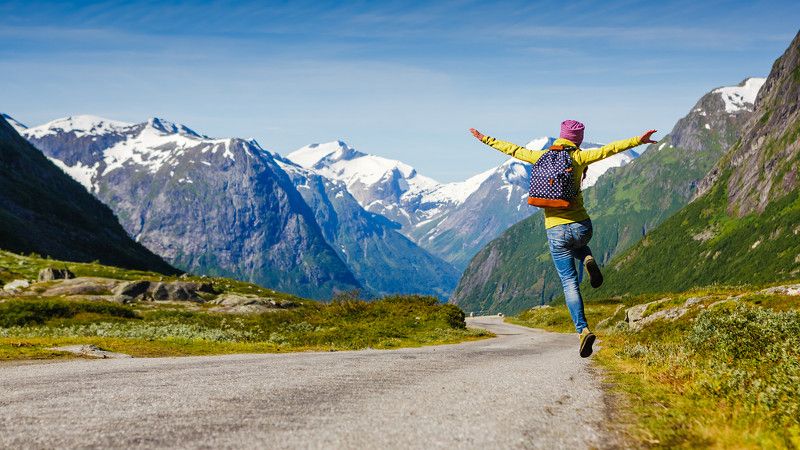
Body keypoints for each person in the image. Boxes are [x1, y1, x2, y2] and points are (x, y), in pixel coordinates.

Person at [469, 120, 657, 357]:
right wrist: (639, 140)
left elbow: (512, 149)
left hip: (555, 231)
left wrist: (485, 138)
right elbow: (611, 149)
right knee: (580, 244)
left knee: (569, 283)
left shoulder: (539, 156)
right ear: (577, 139)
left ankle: (583, 330)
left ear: (561, 136)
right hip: (581, 227)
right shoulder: (578, 158)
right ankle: (587, 256)